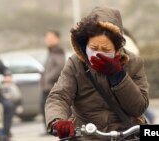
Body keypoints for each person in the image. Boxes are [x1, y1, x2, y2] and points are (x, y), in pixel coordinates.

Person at [45, 6, 149, 140]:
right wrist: (57, 121)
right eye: (93, 48)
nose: (98, 53)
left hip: (125, 134)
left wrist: (118, 75)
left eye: (105, 49)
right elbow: (59, 95)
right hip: (87, 134)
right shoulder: (76, 63)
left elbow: (138, 107)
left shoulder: (134, 63)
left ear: (117, 48)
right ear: (85, 44)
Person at [41, 30, 65, 135]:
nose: (48, 39)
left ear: (57, 39)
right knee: (43, 106)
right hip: (47, 86)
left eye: (51, 37)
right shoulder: (51, 51)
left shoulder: (58, 50)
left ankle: (52, 129)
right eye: (47, 37)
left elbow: (59, 67)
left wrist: (48, 78)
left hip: (52, 85)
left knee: (49, 107)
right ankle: (49, 129)